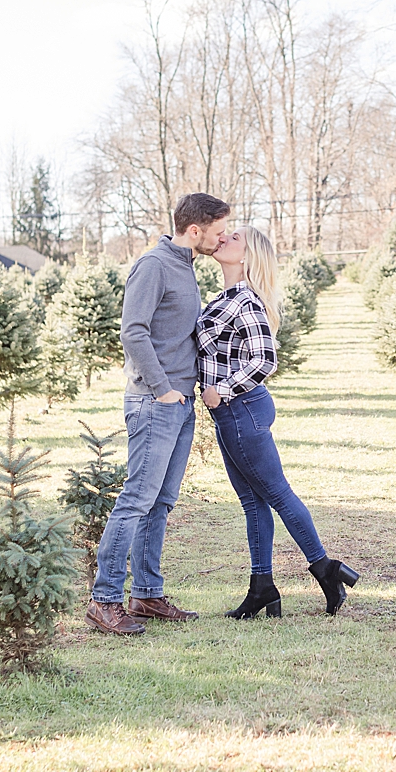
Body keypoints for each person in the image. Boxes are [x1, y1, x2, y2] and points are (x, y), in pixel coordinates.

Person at [86, 192, 229, 635]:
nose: (222, 240)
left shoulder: (185, 266)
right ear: (194, 231)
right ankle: (104, 600)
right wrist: (163, 390)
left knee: (160, 504)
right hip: (155, 402)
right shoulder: (153, 265)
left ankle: (146, 594)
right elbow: (133, 331)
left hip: (180, 403)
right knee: (135, 501)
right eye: (219, 232)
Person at [198, 225, 359, 618]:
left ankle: (326, 569)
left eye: (233, 238)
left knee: (276, 494)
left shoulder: (245, 302)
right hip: (233, 412)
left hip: (241, 409)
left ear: (248, 256)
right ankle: (262, 587)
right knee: (254, 502)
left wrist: (223, 389)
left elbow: (265, 359)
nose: (223, 239)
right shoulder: (225, 296)